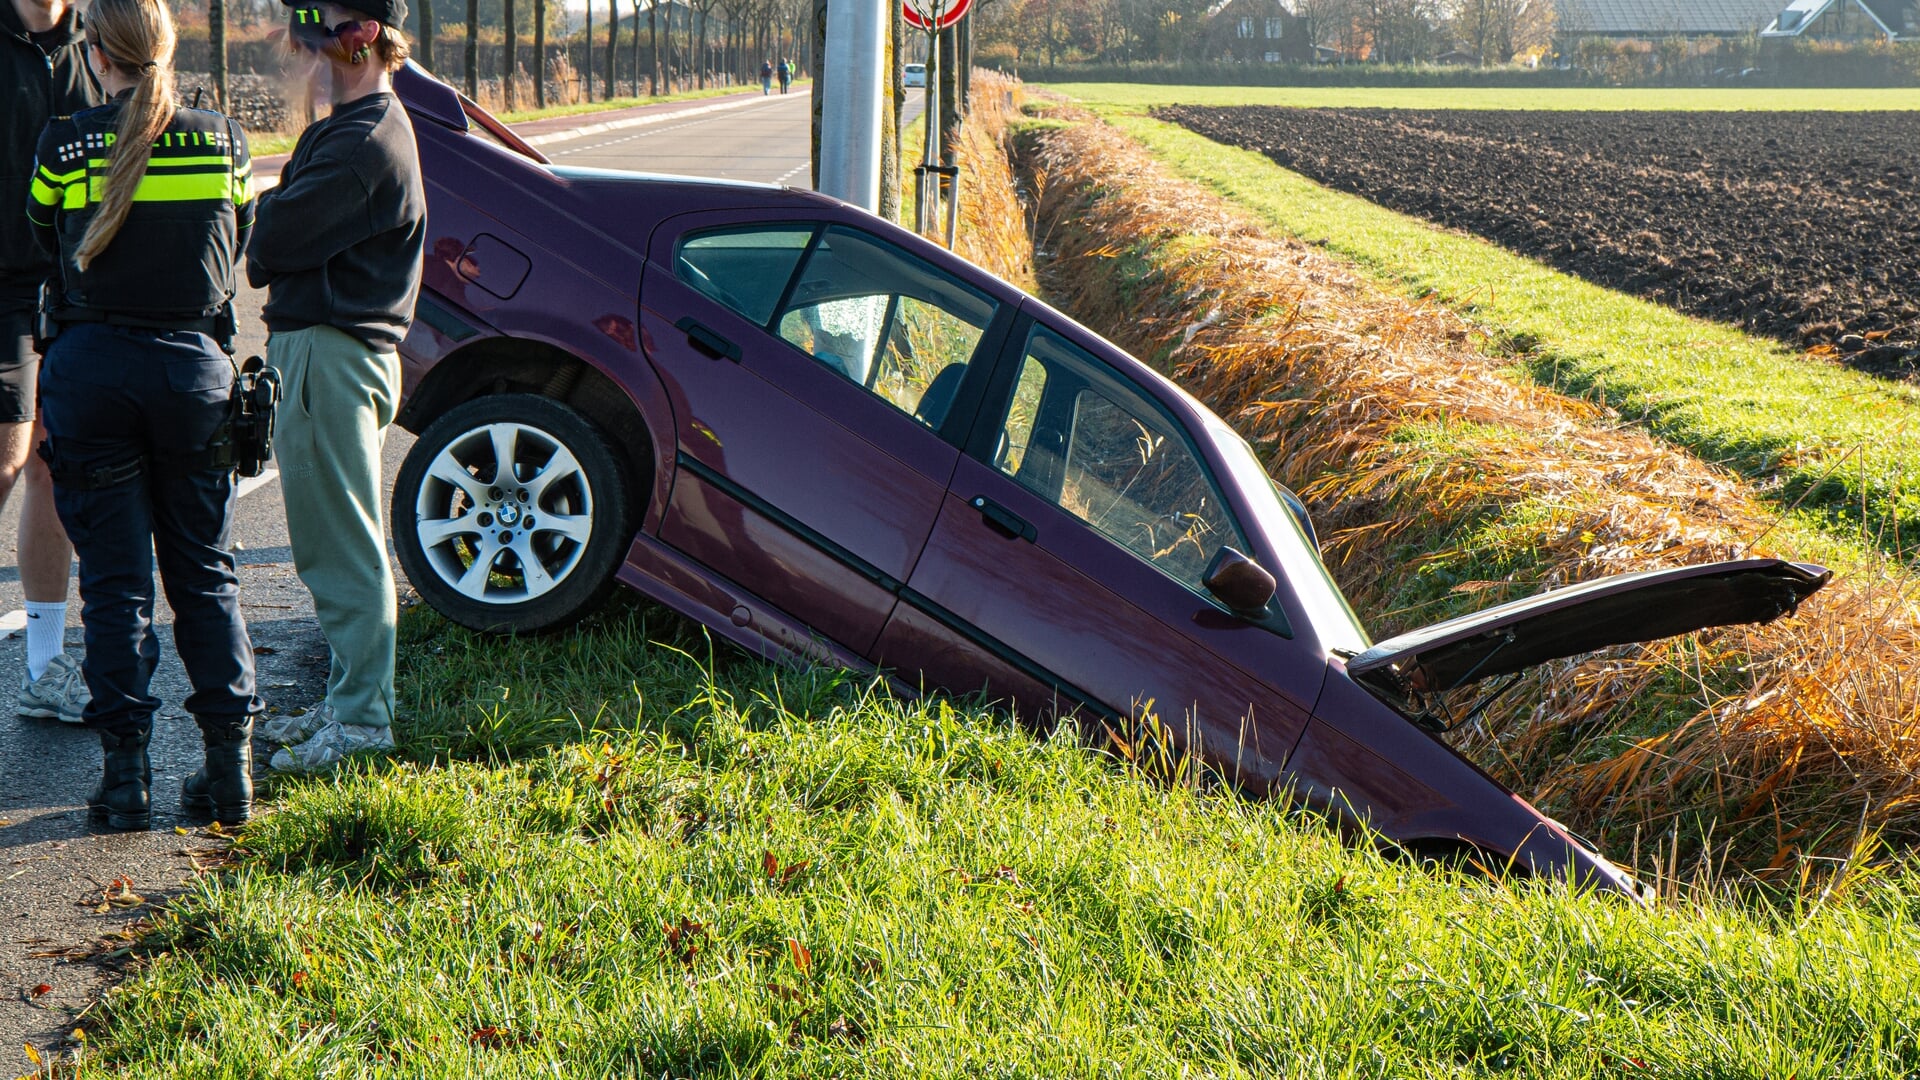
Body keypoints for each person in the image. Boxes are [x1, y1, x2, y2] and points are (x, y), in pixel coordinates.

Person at [28, 0, 263, 828]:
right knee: (205, 574)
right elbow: (240, 241)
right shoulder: (225, 138)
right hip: (193, 372)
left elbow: (40, 240)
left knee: (118, 586)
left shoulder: (65, 144)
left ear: (95, 53)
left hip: (92, 373)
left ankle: (125, 782)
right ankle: (228, 775)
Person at [246, 0, 424, 773]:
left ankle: (361, 726)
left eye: (319, 32)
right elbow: (277, 220)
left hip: (331, 354)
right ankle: (350, 704)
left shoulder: (364, 143)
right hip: (326, 353)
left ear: (363, 38)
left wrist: (270, 216)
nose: (304, 48)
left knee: (343, 550)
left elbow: (271, 238)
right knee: (328, 545)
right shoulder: (344, 131)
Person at [4, 0, 101, 725]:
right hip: (1, 291)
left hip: (79, 291)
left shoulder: (103, 42)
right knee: (4, 462)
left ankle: (43, 669)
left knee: (50, 467)